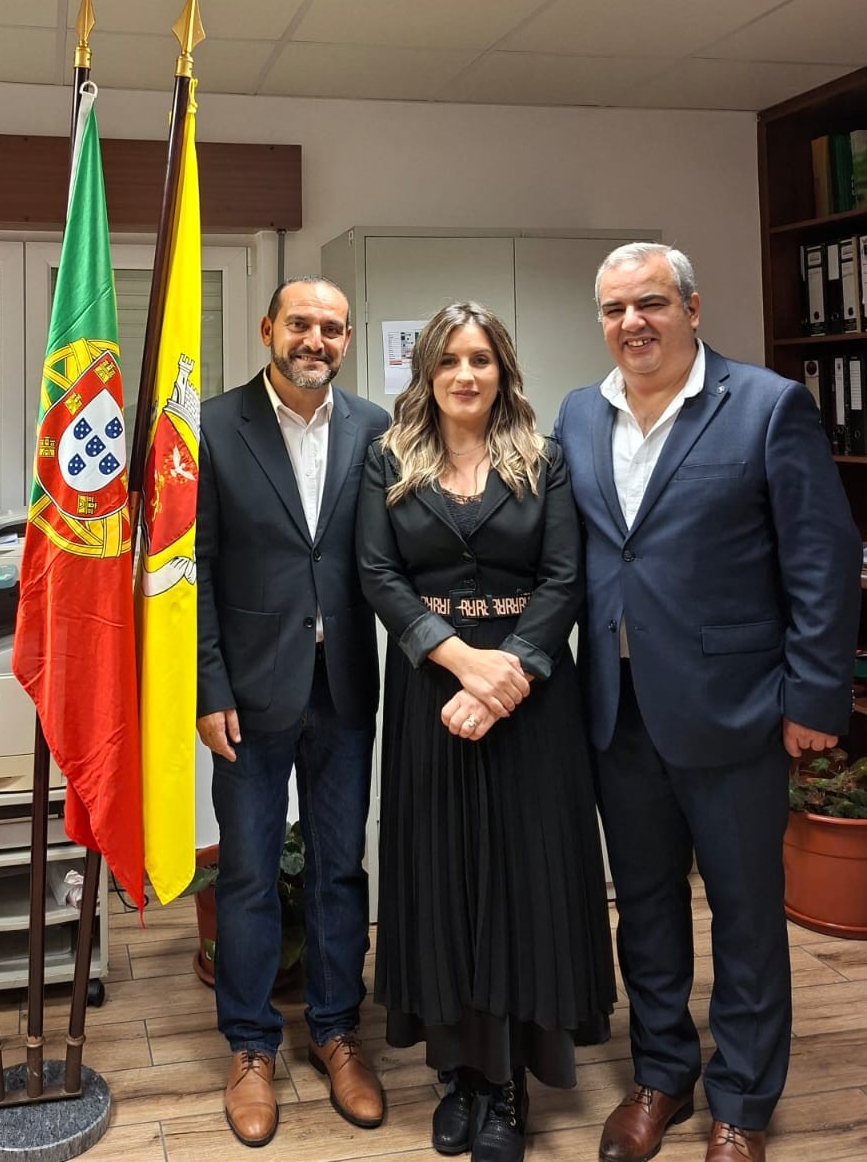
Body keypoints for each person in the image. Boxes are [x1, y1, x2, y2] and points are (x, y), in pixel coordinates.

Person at [555, 242, 861, 1162]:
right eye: (614, 309)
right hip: (618, 711)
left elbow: (821, 560)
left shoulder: (766, 405)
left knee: (746, 913)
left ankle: (743, 1101)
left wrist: (815, 696)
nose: (632, 323)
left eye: (650, 303)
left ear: (691, 307)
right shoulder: (579, 413)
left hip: (737, 711)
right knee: (645, 907)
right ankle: (662, 1075)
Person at [357, 302, 615, 1162]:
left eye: (481, 359)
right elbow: (378, 573)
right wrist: (463, 661)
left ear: (503, 370)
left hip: (531, 699)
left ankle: (507, 1085)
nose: (465, 375)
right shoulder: (388, 458)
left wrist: (508, 679)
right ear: (426, 372)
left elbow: (564, 577)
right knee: (441, 874)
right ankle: (458, 1074)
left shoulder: (544, 459)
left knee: (520, 877)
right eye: (449, 360)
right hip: (431, 690)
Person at [196, 276, 390, 1147]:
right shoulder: (212, 426)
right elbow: (193, 568)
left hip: (343, 686)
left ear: (347, 340)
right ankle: (250, 1045)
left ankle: (336, 1030)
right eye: (301, 323)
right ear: (268, 327)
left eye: (333, 329)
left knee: (340, 868)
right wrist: (207, 688)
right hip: (246, 693)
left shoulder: (375, 428)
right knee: (246, 874)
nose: (316, 340)